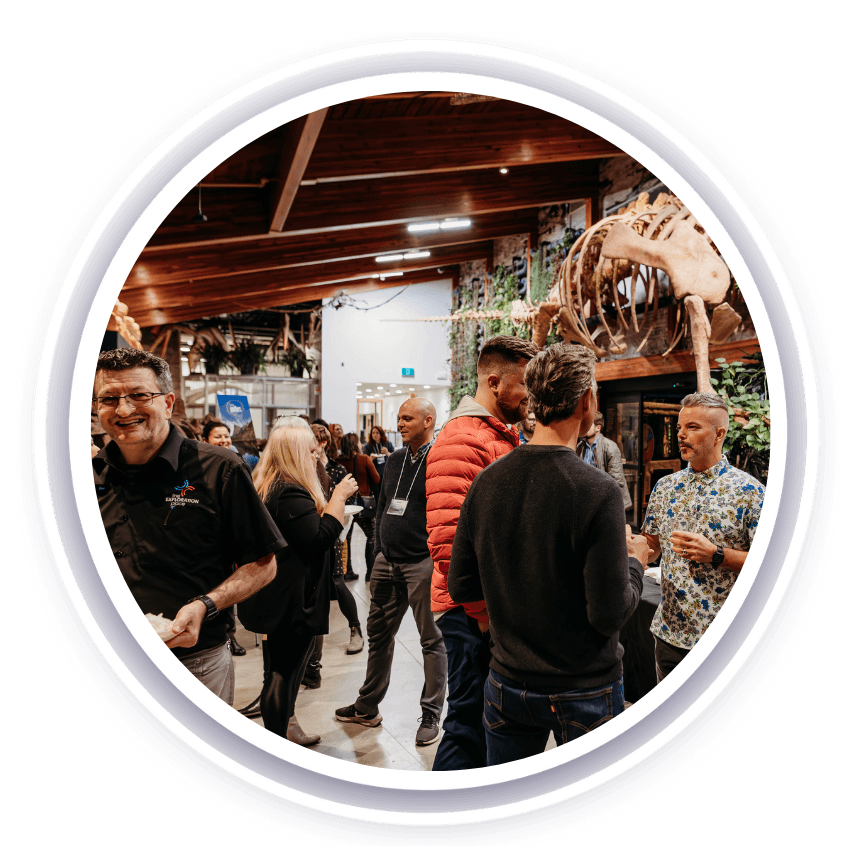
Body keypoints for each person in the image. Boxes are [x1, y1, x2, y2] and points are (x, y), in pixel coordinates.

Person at [448, 344, 650, 765]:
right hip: (585, 687)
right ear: (586, 400)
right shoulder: (598, 491)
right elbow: (608, 614)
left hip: (506, 681)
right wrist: (635, 564)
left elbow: (462, 584)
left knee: (506, 799)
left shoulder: (487, 481)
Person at [92, 349, 285, 705]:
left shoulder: (219, 469)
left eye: (139, 395)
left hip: (195, 665)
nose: (123, 409)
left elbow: (263, 563)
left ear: (168, 403)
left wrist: (206, 605)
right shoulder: (85, 475)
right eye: (109, 398)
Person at [426, 333, 538, 770]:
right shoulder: (462, 439)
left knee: (486, 719)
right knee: (467, 723)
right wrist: (482, 613)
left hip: (489, 606)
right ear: (494, 383)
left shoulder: (500, 435)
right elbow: (447, 541)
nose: (530, 395)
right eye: (524, 383)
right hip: (468, 610)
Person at [335, 399, 447, 746]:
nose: (400, 424)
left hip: (421, 563)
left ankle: (431, 714)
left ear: (428, 421)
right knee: (379, 635)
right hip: (388, 561)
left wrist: (432, 556)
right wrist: (378, 552)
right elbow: (384, 505)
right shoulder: (395, 459)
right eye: (399, 418)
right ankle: (367, 706)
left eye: (407, 418)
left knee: (432, 641)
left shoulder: (440, 459)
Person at [641, 393, 765, 681]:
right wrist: (632, 547)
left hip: (723, 640)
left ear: (719, 434)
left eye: (692, 427)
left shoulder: (750, 492)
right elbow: (652, 546)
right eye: (679, 427)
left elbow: (773, 565)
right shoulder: (665, 487)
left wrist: (716, 555)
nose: (681, 435)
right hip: (669, 635)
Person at [250, 423, 358, 740]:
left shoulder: (271, 486)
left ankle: (284, 731)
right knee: (282, 674)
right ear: (295, 454)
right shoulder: (288, 491)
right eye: (311, 451)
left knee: (281, 670)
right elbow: (319, 539)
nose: (317, 456)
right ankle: (277, 741)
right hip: (290, 596)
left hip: (279, 592)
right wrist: (338, 497)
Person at [311, 423, 364, 658]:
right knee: (313, 589)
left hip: (332, 534)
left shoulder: (337, 470)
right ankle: (313, 654)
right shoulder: (302, 468)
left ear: (323, 443)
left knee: (338, 583)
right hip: (309, 533)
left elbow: (353, 500)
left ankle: (356, 629)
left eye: (313, 440)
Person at [201, 419, 247, 656]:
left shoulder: (238, 463)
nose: (224, 440)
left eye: (226, 436)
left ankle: (230, 635)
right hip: (209, 538)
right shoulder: (200, 467)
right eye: (218, 437)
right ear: (205, 440)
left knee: (230, 588)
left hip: (233, 536)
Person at [337, 433, 381, 582]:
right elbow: (376, 479)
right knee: (371, 538)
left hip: (345, 507)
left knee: (345, 538)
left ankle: (347, 571)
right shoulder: (364, 459)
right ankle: (370, 573)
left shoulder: (337, 461)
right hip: (364, 507)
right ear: (356, 444)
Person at [576, 411, 633, 510]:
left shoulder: (610, 447)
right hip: (587, 501)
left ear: (598, 428)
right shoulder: (580, 446)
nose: (584, 427)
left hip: (606, 502)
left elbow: (616, 481)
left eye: (588, 424)